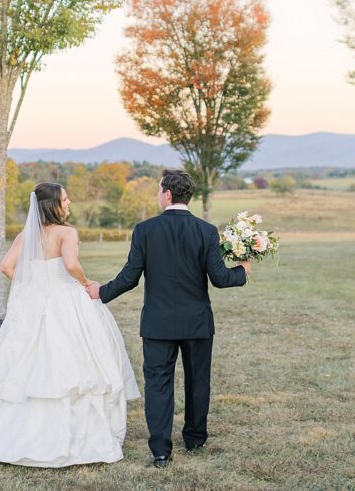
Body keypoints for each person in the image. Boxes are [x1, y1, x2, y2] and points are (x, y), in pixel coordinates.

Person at [86, 169, 251, 468]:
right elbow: (221, 278)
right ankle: (195, 438)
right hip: (197, 322)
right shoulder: (206, 230)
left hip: (158, 323)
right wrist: (243, 271)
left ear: (167, 194)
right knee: (198, 381)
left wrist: (102, 292)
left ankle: (161, 450)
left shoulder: (145, 230)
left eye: (158, 189)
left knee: (158, 384)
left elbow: (129, 278)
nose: (157, 194)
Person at [0, 182, 140, 467]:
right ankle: (76, 437)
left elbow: (6, 267)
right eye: (65, 199)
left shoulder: (26, 235)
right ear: (54, 205)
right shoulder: (66, 232)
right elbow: (71, 264)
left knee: (33, 363)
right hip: (66, 301)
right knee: (76, 362)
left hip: (35, 304)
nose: (69, 202)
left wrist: (32, 285)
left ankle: (22, 435)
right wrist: (85, 282)